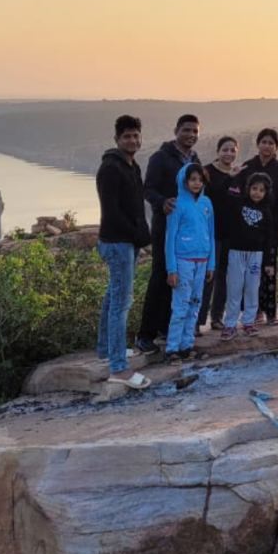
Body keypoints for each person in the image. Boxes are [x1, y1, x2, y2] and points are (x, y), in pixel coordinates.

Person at [95, 115, 152, 389]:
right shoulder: (110, 169)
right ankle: (118, 367)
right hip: (117, 242)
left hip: (127, 242)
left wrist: (141, 236)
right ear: (117, 139)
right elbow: (113, 212)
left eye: (136, 135)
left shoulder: (133, 167)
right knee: (121, 302)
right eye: (127, 136)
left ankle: (106, 349)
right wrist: (137, 236)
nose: (132, 140)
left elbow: (137, 208)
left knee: (113, 295)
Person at [136, 114, 201, 355]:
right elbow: (148, 189)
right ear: (176, 131)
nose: (191, 135)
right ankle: (145, 335)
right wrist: (162, 202)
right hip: (165, 227)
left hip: (187, 232)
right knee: (161, 275)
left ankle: (166, 327)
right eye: (186, 130)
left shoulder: (194, 159)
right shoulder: (160, 158)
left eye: (195, 131)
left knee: (179, 279)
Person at [235, 129, 278, 326]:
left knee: (269, 269)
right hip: (247, 229)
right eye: (264, 142)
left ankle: (270, 312)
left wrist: (271, 221)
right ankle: (253, 310)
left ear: (276, 146)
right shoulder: (247, 167)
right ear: (257, 144)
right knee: (249, 273)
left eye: (271, 143)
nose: (267, 146)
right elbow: (239, 195)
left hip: (270, 230)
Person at [163, 165, 215, 366]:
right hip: (183, 262)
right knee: (180, 306)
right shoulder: (177, 205)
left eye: (200, 179)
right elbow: (170, 238)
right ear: (184, 182)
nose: (196, 183)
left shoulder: (207, 203)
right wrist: (172, 269)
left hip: (202, 262)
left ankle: (187, 346)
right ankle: (172, 349)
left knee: (195, 304)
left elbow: (210, 234)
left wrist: (211, 263)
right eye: (192, 179)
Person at [221, 172, 274, 341]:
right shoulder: (239, 204)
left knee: (252, 289)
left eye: (261, 190)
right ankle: (230, 324)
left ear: (266, 193)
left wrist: (268, 262)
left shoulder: (266, 212)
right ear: (248, 189)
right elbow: (225, 193)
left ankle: (249, 322)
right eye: (254, 188)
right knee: (234, 289)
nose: (257, 193)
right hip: (236, 253)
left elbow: (268, 239)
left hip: (256, 256)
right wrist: (231, 177)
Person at [201, 136, 240, 331]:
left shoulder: (237, 173)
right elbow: (211, 196)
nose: (229, 153)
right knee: (208, 275)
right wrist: (229, 178)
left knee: (224, 276)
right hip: (210, 232)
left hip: (230, 232)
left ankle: (216, 317)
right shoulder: (207, 172)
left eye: (233, 150)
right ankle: (199, 321)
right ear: (218, 151)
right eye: (225, 149)